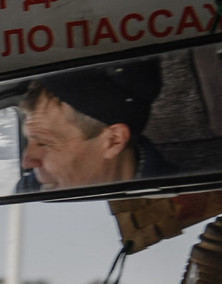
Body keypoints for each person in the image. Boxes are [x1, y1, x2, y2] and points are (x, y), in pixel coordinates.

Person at [16, 60, 167, 190]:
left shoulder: (177, 196)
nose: (26, 162)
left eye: (44, 143)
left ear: (114, 140)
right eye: (29, 140)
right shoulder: (29, 190)